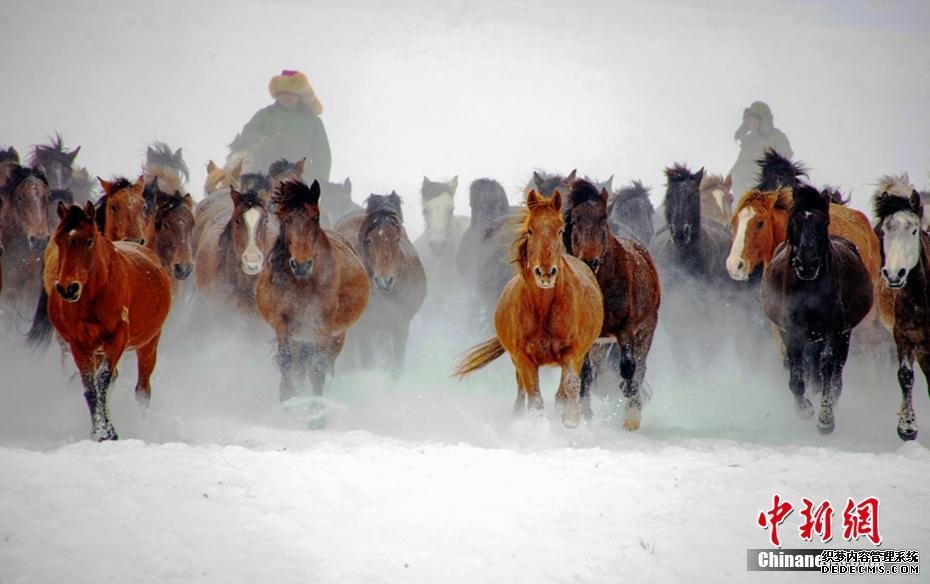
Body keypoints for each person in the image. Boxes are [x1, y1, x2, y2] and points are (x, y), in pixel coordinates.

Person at [228, 69, 332, 182]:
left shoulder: (312, 122)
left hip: (298, 182)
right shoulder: (265, 115)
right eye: (282, 92)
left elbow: (322, 157)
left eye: (291, 92)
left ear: (299, 95)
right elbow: (247, 135)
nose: (286, 96)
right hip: (262, 180)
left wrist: (319, 184)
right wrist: (264, 142)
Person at [729, 101, 793, 197]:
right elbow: (740, 163)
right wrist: (728, 180)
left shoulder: (778, 137)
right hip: (745, 185)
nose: (752, 123)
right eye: (749, 121)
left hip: (771, 185)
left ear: (763, 120)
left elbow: (784, 159)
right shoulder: (749, 141)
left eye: (754, 120)